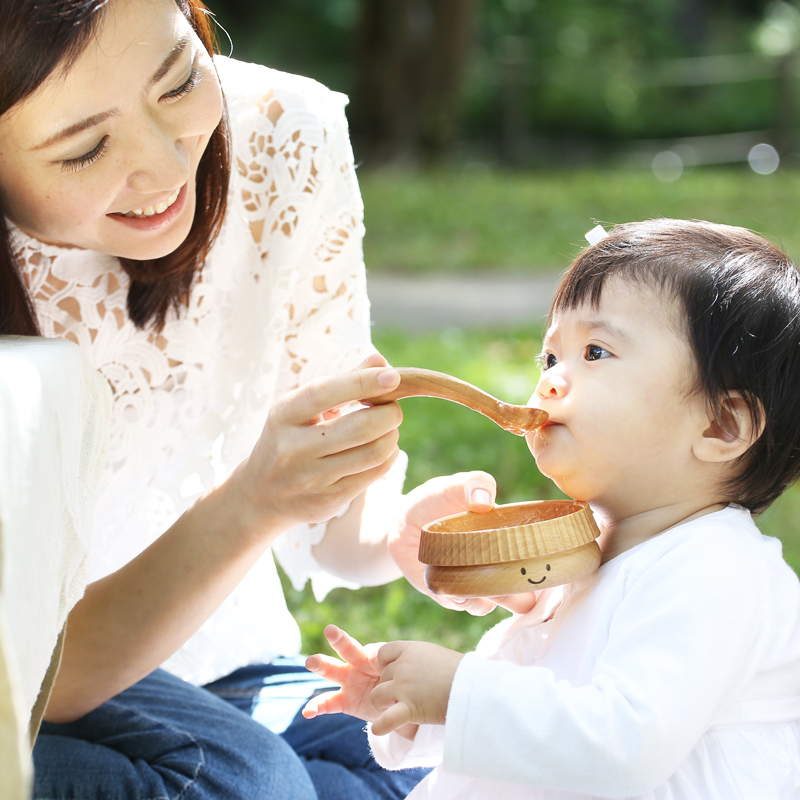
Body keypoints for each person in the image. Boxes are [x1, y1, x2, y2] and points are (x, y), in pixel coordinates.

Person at [0, 0, 498, 797]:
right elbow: (37, 671)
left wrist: (403, 534)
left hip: (228, 669)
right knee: (252, 784)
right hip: (28, 689)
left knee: (460, 763)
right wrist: (250, 506)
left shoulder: (281, 135)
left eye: (178, 82)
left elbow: (332, 531)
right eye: (87, 148)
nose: (165, 169)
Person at [303, 218, 800, 799]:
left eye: (595, 352)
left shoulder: (718, 570)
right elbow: (534, 713)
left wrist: (458, 691)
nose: (551, 382)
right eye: (549, 358)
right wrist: (414, 706)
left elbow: (621, 746)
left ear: (721, 423)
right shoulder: (590, 552)